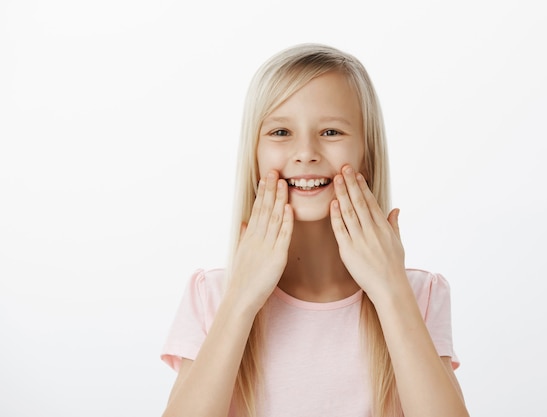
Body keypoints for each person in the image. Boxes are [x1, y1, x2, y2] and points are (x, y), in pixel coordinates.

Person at [160, 43, 469, 417]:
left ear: (366, 157)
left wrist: (390, 292)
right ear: (253, 157)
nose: (305, 152)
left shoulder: (419, 295)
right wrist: (241, 300)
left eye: (331, 132)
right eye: (280, 132)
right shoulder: (211, 296)